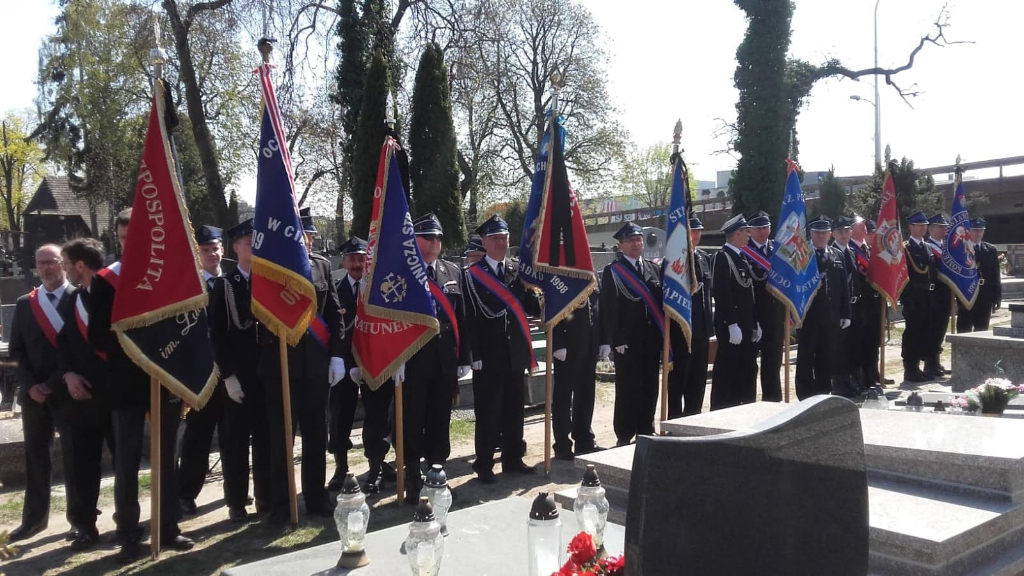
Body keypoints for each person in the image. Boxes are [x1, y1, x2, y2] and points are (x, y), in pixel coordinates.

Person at [88, 208, 192, 561]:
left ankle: (169, 527)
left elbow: (182, 327)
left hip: (164, 380)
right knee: (128, 461)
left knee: (166, 458)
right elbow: (98, 336)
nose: (128, 244)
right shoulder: (105, 281)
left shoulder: (168, 278)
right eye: (121, 238)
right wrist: (138, 344)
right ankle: (129, 534)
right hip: (126, 384)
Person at [260, 210, 346, 523]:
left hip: (316, 366)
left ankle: (316, 497)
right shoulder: (270, 270)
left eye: (309, 235)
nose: (305, 240)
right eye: (300, 234)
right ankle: (282, 504)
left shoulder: (323, 265)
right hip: (281, 367)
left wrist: (337, 355)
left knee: (316, 435)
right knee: (281, 437)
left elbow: (335, 314)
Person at [7, 245, 78, 543]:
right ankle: (34, 520)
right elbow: (16, 351)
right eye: (41, 263)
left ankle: (80, 520)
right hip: (34, 395)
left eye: (52, 262)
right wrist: (30, 384)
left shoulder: (79, 298)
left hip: (69, 391)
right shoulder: (26, 303)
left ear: (63, 264)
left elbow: (80, 349)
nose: (47, 268)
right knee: (36, 458)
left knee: (76, 458)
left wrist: (52, 382)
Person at [399, 213, 471, 502]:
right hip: (413, 360)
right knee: (413, 419)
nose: (435, 242)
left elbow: (461, 318)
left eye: (439, 237)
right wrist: (396, 360)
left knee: (440, 419)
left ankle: (437, 473)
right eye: (428, 237)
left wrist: (464, 357)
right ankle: (413, 476)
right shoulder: (401, 272)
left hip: (443, 361)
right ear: (414, 240)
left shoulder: (452, 272)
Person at [464, 214, 538, 483]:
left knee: (514, 409)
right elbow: (469, 318)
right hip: (488, 356)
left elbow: (530, 307)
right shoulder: (472, 276)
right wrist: (474, 355)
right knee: (488, 412)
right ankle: (484, 464)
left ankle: (513, 459)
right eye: (495, 238)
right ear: (484, 242)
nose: (501, 243)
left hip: (514, 353)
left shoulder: (518, 271)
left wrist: (542, 291)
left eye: (504, 238)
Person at [208, 219, 271, 521]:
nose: (254, 246)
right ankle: (235, 501)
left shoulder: (269, 281)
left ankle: (265, 496)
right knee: (234, 441)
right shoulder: (225, 286)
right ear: (235, 248)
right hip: (238, 376)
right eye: (248, 242)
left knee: (265, 439)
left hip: (266, 373)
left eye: (257, 241)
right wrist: (228, 376)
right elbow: (217, 335)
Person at [51, 239, 109, 551]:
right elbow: (62, 343)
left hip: (114, 398)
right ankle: (84, 525)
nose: (63, 269)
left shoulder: (111, 294)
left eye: (65, 263)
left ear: (80, 266)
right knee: (82, 466)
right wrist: (68, 374)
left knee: (126, 465)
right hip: (82, 398)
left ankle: (131, 525)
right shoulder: (73, 300)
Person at [177, 225, 229, 517]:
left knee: (233, 436)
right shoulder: (188, 287)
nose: (211, 254)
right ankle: (186, 493)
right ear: (197, 255)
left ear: (223, 250)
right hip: (200, 374)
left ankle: (234, 491)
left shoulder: (231, 283)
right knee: (197, 437)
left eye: (215, 248)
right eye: (205, 250)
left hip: (231, 372)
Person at [600, 222, 662, 445]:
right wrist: (617, 339)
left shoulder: (654, 269)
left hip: (651, 339)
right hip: (628, 340)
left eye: (639, 239)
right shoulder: (613, 272)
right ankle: (624, 433)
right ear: (621, 244)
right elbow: (609, 308)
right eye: (631, 240)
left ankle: (646, 428)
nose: (636, 243)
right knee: (628, 388)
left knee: (650, 385)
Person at [795, 216, 851, 400]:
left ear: (829, 234)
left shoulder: (837, 255)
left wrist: (845, 313)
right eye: (817, 232)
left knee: (827, 356)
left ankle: (823, 391)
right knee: (806, 356)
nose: (820, 236)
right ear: (810, 233)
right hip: (808, 316)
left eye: (824, 233)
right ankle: (804, 394)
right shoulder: (802, 254)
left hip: (831, 316)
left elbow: (843, 287)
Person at [327, 236, 366, 493]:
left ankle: (377, 461)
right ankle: (341, 466)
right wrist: (344, 361)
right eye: (352, 259)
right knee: (340, 418)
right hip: (343, 364)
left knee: (379, 416)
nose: (357, 264)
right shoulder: (336, 290)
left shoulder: (378, 289)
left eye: (361, 258)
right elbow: (334, 329)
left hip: (374, 362)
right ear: (343, 261)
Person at [710, 215, 759, 410]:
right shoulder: (723, 258)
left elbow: (749, 295)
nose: (748, 235)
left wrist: (755, 324)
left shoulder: (740, 257)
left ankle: (743, 407)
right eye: (746, 232)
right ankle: (722, 409)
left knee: (746, 369)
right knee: (727, 371)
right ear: (737, 233)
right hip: (732, 327)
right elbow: (722, 293)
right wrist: (731, 324)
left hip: (745, 325)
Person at [667, 215, 714, 418]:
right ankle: (675, 418)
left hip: (701, 328)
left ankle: (694, 414)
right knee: (679, 377)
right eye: (692, 231)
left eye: (698, 231)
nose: (696, 235)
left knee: (698, 376)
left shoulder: (703, 258)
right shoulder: (675, 259)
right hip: (681, 328)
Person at [552, 288, 601, 460]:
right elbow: (551, 307)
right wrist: (557, 342)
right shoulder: (561, 272)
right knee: (563, 398)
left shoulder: (590, 273)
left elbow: (597, 308)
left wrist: (603, 341)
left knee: (586, 395)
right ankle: (562, 445)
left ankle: (584, 439)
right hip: (567, 345)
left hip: (589, 344)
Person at [743, 211, 784, 402]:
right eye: (758, 228)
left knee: (773, 361)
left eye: (765, 227)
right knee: (749, 364)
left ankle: (772, 400)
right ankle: (749, 401)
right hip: (752, 314)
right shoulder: (743, 250)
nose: (762, 231)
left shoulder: (778, 249)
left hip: (775, 314)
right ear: (749, 230)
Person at [849, 215, 883, 388]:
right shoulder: (849, 250)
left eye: (864, 225)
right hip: (859, 305)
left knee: (872, 342)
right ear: (851, 229)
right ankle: (859, 378)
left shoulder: (868, 250)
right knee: (858, 344)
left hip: (873, 304)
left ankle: (871, 376)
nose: (864, 227)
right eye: (860, 225)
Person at [902, 211, 936, 383]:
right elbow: (903, 276)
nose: (923, 228)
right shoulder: (906, 248)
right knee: (913, 334)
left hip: (928, 296)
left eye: (925, 225)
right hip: (914, 296)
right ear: (911, 227)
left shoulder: (928, 247)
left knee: (926, 333)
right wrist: (907, 301)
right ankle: (910, 369)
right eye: (919, 225)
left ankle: (921, 368)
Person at [830, 216, 860, 397]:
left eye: (847, 230)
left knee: (852, 346)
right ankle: (839, 382)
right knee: (838, 348)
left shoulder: (852, 251)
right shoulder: (832, 252)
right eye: (840, 231)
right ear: (833, 234)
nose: (844, 234)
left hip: (855, 308)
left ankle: (850, 379)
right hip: (840, 310)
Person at [957, 218, 1002, 332]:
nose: (978, 233)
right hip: (967, 296)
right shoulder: (962, 249)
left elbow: (995, 275)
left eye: (981, 230)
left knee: (982, 329)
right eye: (975, 230)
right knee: (964, 330)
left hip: (985, 295)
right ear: (969, 231)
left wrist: (997, 297)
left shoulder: (990, 250)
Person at [924, 214, 951, 379]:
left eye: (944, 227)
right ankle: (929, 362)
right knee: (932, 329)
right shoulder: (928, 247)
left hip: (945, 294)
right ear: (931, 229)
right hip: (933, 294)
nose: (943, 230)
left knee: (941, 328)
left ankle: (935, 360)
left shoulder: (946, 248)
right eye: (940, 227)